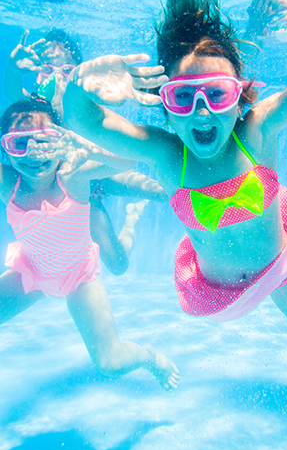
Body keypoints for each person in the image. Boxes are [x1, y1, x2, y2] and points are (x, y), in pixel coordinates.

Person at [62, 0, 287, 377]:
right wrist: (77, 86)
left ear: (240, 96)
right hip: (219, 287)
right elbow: (82, 119)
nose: (202, 110)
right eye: (184, 96)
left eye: (217, 93)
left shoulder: (258, 130)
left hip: (279, 270)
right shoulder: (166, 154)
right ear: (166, 106)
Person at [0, 98, 179, 390]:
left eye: (45, 142)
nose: (33, 153)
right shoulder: (8, 182)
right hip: (29, 271)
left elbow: (125, 161)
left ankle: (149, 357)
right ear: (5, 147)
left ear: (62, 143)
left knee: (111, 364)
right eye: (18, 143)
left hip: (78, 278)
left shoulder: (73, 177)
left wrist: (81, 148)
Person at [2, 28, 165, 276]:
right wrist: (13, 70)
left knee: (164, 193)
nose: (57, 80)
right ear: (37, 75)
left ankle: (133, 218)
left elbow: (120, 157)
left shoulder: (84, 105)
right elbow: (11, 99)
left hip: (100, 172)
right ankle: (129, 219)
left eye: (66, 71)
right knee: (118, 266)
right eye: (47, 70)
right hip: (72, 191)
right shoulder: (31, 111)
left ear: (79, 74)